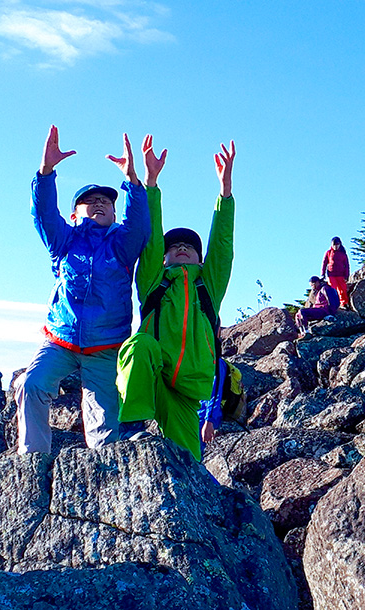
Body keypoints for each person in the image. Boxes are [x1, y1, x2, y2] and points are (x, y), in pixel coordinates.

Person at [15, 126, 150, 454]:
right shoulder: (64, 241)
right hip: (59, 340)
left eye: (106, 200)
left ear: (115, 213)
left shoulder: (121, 245)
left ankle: (102, 481)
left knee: (104, 425)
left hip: (106, 347)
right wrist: (46, 173)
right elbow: (44, 215)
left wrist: (133, 181)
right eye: (90, 201)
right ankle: (33, 462)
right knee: (31, 386)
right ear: (75, 214)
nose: (100, 203)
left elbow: (140, 225)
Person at [116, 136, 236, 461]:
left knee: (190, 464)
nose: (181, 247)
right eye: (174, 247)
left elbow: (222, 247)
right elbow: (152, 239)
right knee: (138, 346)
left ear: (199, 259)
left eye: (190, 247)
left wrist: (225, 194)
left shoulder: (207, 286)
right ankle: (132, 427)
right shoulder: (155, 281)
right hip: (155, 372)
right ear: (165, 258)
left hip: (188, 389)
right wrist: (151, 185)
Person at [321, 237, 351, 310]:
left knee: (342, 289)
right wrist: (323, 273)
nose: (336, 246)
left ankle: (344, 303)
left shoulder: (343, 254)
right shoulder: (328, 253)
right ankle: (333, 304)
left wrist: (347, 275)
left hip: (341, 275)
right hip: (331, 275)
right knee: (333, 290)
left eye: (337, 245)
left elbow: (347, 265)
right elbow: (324, 263)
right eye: (334, 245)